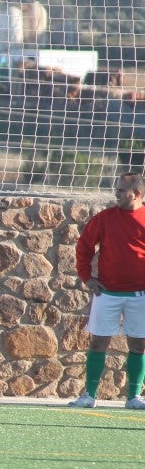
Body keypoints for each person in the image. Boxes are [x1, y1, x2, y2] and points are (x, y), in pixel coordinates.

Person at [69, 172, 145, 409]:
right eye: (117, 189)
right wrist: (86, 277)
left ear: (137, 193)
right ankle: (89, 395)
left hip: (139, 295)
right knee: (97, 343)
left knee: (139, 346)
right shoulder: (104, 218)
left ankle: (133, 397)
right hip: (107, 293)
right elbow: (84, 246)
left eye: (122, 190)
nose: (117, 194)